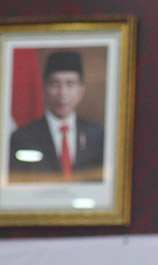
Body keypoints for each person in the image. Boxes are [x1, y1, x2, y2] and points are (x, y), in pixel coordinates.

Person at [9, 50, 105, 181]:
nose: (62, 93)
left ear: (81, 91)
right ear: (44, 89)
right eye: (55, 84)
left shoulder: (98, 136)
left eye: (70, 84)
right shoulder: (22, 138)